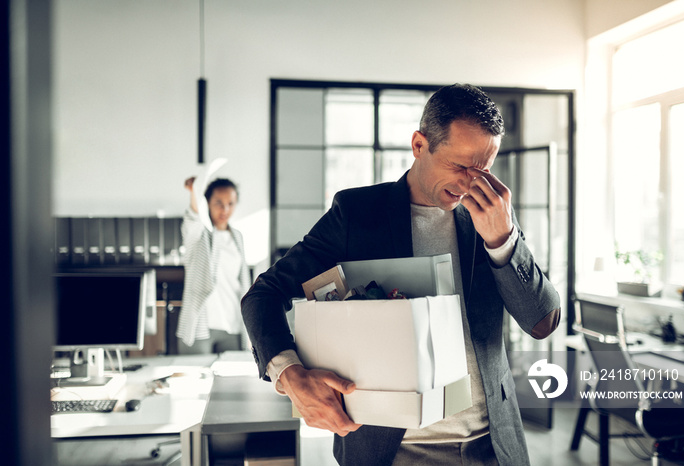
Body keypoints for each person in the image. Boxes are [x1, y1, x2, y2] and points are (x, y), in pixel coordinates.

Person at [241, 83, 561, 465]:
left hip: (491, 447)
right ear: (419, 145)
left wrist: (503, 241)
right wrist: (289, 374)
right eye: (459, 166)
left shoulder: (493, 212)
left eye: (484, 169)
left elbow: (542, 322)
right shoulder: (356, 215)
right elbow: (263, 295)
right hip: (390, 452)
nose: (470, 184)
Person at [177, 176, 251, 354]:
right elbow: (192, 220)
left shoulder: (237, 237)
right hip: (200, 327)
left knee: (231, 381)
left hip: (232, 326)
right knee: (195, 378)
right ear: (207, 203)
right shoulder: (199, 235)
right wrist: (194, 192)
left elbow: (242, 283)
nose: (225, 209)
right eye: (218, 202)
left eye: (230, 203)